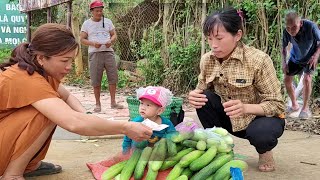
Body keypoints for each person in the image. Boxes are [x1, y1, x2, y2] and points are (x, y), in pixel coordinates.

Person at [0, 23, 152, 180]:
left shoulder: (39, 71)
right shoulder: (27, 78)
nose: (69, 67)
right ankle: (13, 174)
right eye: (64, 60)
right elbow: (73, 122)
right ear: (41, 58)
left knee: (56, 105)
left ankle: (29, 165)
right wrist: (125, 127)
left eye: (71, 61)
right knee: (49, 113)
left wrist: (86, 116)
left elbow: (67, 97)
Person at [188, 7, 285, 172]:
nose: (213, 45)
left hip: (258, 120)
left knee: (262, 134)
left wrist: (246, 108)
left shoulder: (258, 60)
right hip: (229, 118)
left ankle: (264, 150)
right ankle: (219, 148)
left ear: (237, 35)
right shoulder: (207, 60)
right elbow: (201, 89)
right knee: (203, 98)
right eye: (209, 39)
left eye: (219, 38)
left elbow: (277, 105)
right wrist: (193, 96)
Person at [80, 0, 123, 112]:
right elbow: (82, 39)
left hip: (108, 52)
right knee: (96, 79)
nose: (99, 13)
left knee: (113, 77)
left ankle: (113, 102)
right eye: (97, 11)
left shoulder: (108, 21)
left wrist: (110, 41)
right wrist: (93, 43)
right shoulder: (86, 24)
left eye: (101, 10)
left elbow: (114, 35)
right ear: (92, 11)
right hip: (95, 53)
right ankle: (97, 104)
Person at [282, 10, 320, 119]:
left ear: (300, 23)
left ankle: (305, 108)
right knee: (287, 79)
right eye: (288, 28)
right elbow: (283, 48)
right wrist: (284, 62)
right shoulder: (287, 31)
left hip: (310, 58)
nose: (291, 31)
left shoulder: (311, 26)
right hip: (295, 57)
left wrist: (316, 56)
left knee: (307, 79)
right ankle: (294, 105)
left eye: (294, 27)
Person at [122, 86, 176, 153]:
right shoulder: (135, 122)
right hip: (136, 154)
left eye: (148, 105)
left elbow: (173, 135)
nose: (143, 108)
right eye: (142, 103)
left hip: (157, 155)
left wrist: (165, 138)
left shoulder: (166, 123)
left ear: (159, 111)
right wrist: (125, 153)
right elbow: (127, 139)